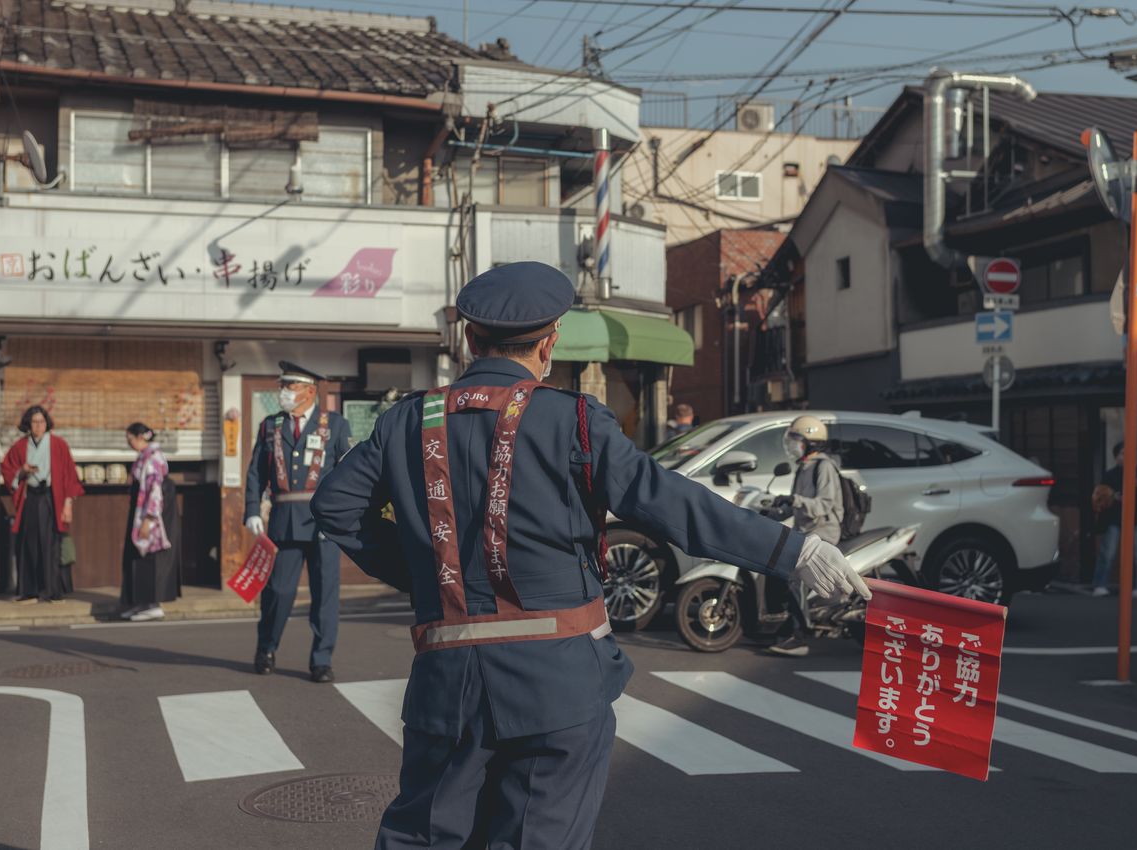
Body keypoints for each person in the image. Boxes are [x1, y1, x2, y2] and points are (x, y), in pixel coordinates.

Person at [311, 261, 869, 850]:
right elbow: (673, 504)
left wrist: (429, 574)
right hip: (559, 681)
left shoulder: (406, 421)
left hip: (446, 684)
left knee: (422, 839)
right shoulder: (572, 419)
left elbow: (335, 507)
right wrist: (792, 550)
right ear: (550, 342)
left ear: (470, 339)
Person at [245, 362, 352, 683]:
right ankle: (266, 647)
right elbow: (255, 473)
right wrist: (252, 509)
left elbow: (348, 473)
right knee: (278, 591)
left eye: (290, 387)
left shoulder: (335, 425)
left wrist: (346, 514)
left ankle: (321, 659)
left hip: (324, 523)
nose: (284, 393)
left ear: (309, 390)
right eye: (283, 386)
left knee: (325, 595)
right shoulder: (270, 426)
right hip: (284, 521)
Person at [767, 415, 844, 658]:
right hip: (807, 532)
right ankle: (782, 623)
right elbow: (797, 506)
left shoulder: (824, 467)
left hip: (824, 532)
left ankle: (800, 636)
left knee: (794, 573)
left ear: (811, 442)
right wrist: (777, 507)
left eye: (797, 440)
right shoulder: (803, 467)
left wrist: (795, 500)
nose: (791, 445)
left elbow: (822, 506)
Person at [0, 406, 84, 603]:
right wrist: (22, 470)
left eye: (42, 422)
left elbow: (70, 475)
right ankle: (29, 591)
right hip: (30, 497)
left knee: (51, 544)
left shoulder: (58, 444)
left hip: (51, 497)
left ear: (47, 424)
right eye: (34, 422)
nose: (38, 426)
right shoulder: (20, 446)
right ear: (28, 424)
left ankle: (53, 591)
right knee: (28, 542)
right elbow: (7, 468)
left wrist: (68, 503)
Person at [120, 423, 180, 622]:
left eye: (130, 439)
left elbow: (155, 490)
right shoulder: (143, 456)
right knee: (136, 553)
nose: (129, 444)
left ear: (140, 437)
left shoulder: (153, 458)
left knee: (149, 553)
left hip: (153, 512)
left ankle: (153, 603)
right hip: (140, 509)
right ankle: (140, 602)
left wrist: (149, 519)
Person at [1092, 441, 1137, 599]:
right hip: (1113, 518)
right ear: (1116, 457)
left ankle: (1134, 587)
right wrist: (1116, 497)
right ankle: (1100, 585)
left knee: (1134, 555)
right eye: (1122, 454)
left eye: (1129, 453)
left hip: (1134, 519)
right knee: (1108, 553)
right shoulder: (1109, 474)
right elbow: (1101, 496)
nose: (1126, 457)